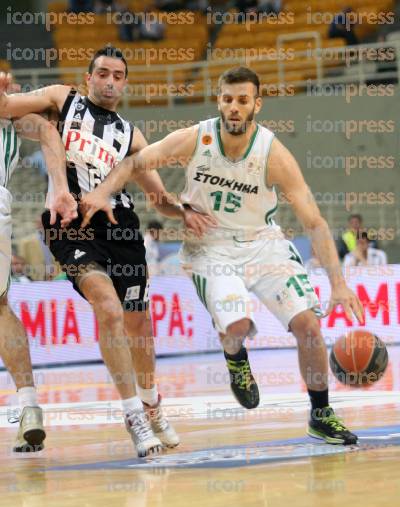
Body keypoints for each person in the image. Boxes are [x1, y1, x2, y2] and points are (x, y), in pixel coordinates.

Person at [80, 66, 365, 445]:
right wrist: (101, 193)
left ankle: (321, 413)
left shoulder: (272, 152)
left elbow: (313, 220)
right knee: (238, 326)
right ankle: (235, 356)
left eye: (243, 100)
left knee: (310, 327)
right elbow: (136, 163)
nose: (234, 107)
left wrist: (339, 283)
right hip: (210, 248)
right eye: (228, 99)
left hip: (264, 244)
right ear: (219, 101)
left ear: (256, 105)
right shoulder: (196, 138)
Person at [0, 47, 214, 457]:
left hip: (122, 231)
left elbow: (158, 196)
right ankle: (132, 414)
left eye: (118, 75)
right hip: (71, 224)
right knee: (108, 308)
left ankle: (152, 406)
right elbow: (7, 107)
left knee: (138, 325)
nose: (110, 81)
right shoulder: (63, 99)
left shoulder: (131, 136)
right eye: (102, 73)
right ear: (88, 78)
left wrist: (182, 210)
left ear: (125, 83)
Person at [0, 108, 78, 452]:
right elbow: (48, 129)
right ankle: (29, 407)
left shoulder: (9, 108)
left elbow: (48, 127)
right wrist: (58, 188)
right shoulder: (12, 112)